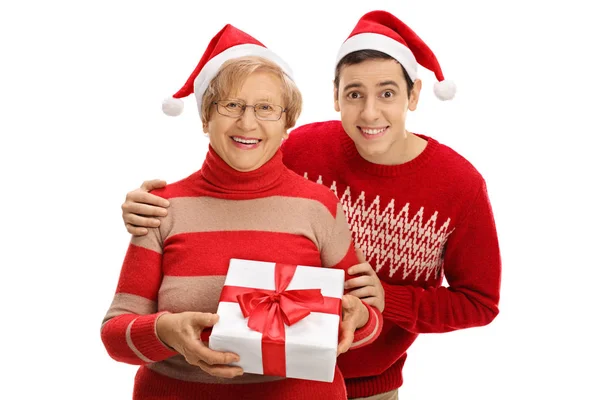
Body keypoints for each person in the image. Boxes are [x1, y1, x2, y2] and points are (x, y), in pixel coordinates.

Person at [120, 10, 501, 400]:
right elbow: (236, 174)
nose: (370, 112)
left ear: (414, 95)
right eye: (354, 94)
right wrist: (149, 207)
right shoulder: (300, 149)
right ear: (335, 96)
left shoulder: (459, 185)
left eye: (387, 93)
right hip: (266, 376)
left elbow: (479, 302)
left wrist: (387, 300)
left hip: (366, 380)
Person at [101, 24, 383, 400]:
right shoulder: (161, 207)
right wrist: (164, 331)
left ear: (287, 123)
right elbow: (114, 334)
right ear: (205, 118)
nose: (247, 123)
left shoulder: (319, 206)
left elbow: (366, 316)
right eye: (231, 105)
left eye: (266, 108)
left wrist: (359, 319)